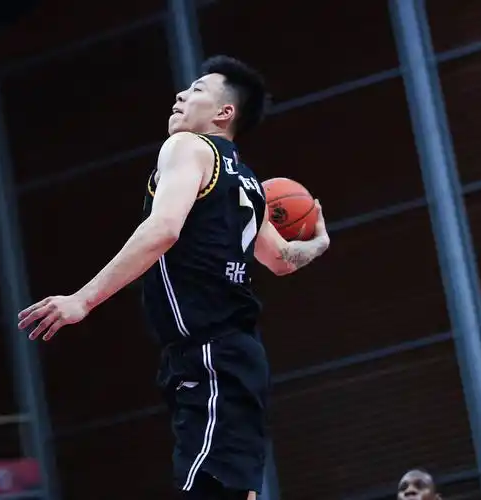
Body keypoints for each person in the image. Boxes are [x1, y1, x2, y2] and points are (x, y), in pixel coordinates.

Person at [17, 55, 331, 500]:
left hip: (210, 351)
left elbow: (163, 229)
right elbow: (281, 259)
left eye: (198, 90)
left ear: (224, 113)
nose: (182, 94)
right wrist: (319, 243)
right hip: (231, 355)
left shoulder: (188, 147)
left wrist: (83, 299)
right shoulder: (248, 184)